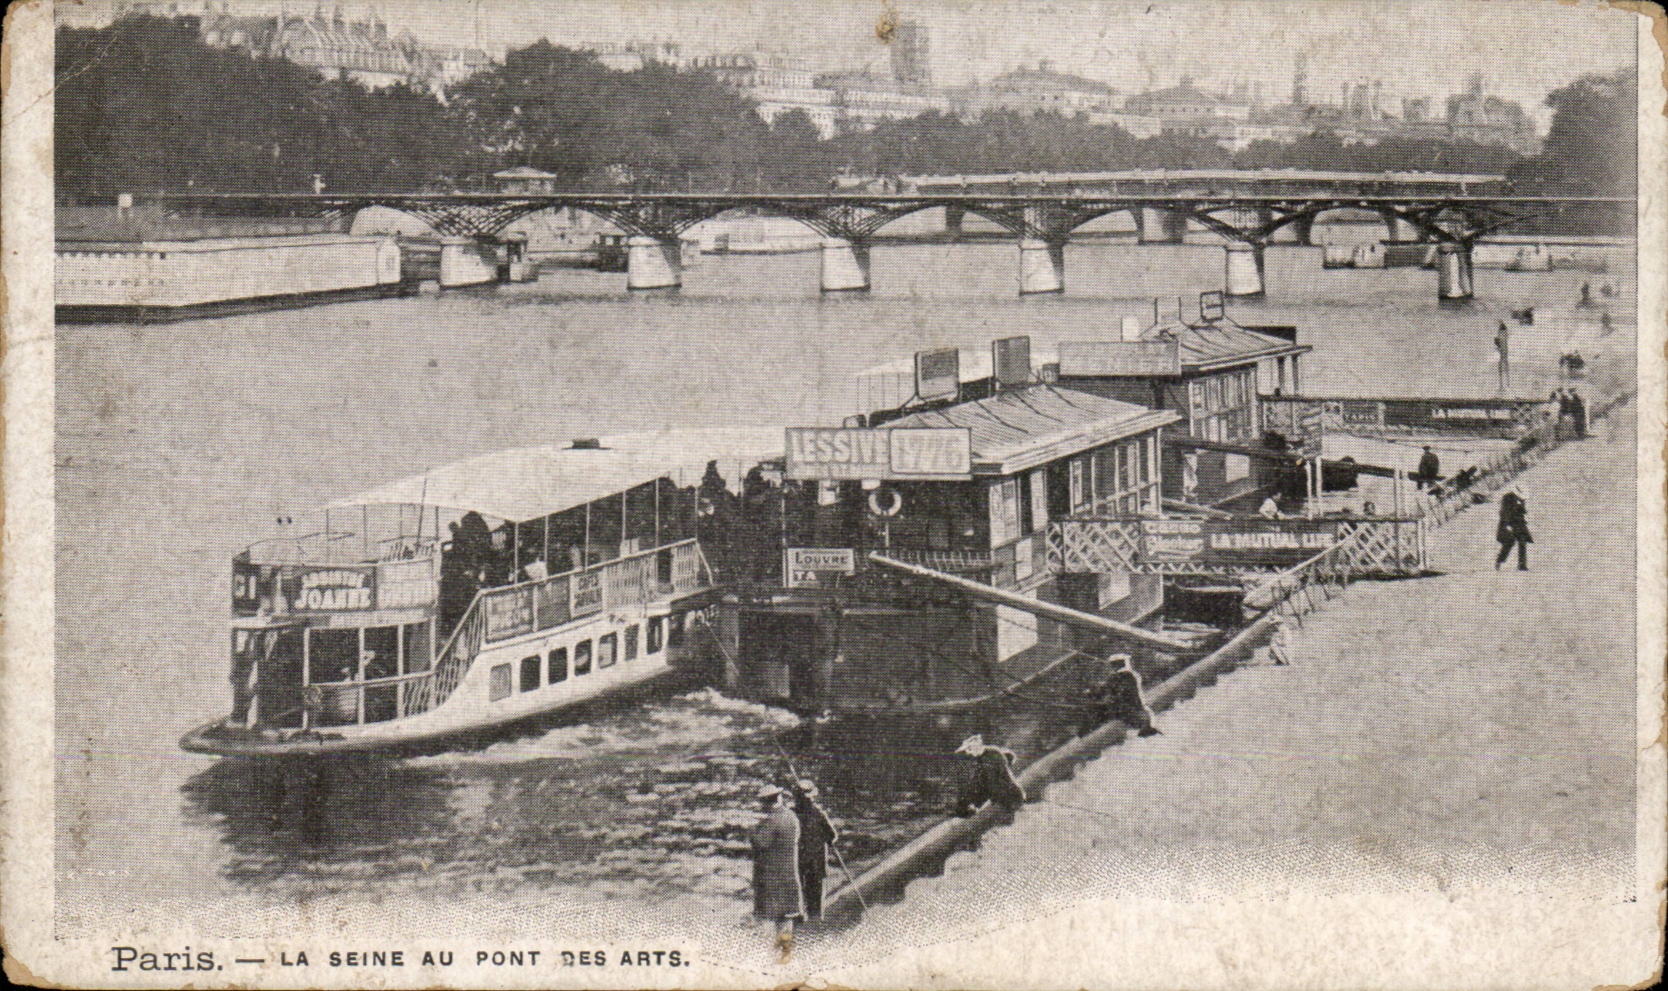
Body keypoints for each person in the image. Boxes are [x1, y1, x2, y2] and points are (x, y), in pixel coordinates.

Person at [750, 785, 804, 961]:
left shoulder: (771, 822)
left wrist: (753, 829)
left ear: (765, 802)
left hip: (771, 878)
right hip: (788, 875)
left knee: (768, 919)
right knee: (786, 918)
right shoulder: (791, 817)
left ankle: (768, 958)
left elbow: (760, 843)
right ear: (779, 798)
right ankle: (785, 955)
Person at [790, 779, 839, 923]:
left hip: (798, 858)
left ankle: (800, 917)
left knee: (798, 888)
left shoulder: (791, 815)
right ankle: (815, 918)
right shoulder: (818, 814)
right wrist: (827, 839)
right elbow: (832, 836)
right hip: (815, 860)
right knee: (815, 890)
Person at [1084, 654, 1161, 737]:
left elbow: (1104, 691)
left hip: (1128, 712)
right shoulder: (1132, 674)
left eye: (1111, 665)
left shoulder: (1117, 677)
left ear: (1115, 665)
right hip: (1141, 710)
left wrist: (1090, 693)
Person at [953, 735, 1025, 817]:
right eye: (967, 750)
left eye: (969, 749)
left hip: (1010, 797)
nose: (968, 752)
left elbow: (991, 782)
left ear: (976, 747)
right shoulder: (981, 758)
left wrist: (978, 803)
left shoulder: (991, 754)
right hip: (1003, 798)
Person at [1495, 489, 1532, 571]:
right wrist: (1507, 525)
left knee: (1522, 542)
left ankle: (1522, 564)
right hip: (1511, 524)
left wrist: (1522, 505)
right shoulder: (1508, 498)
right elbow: (1505, 513)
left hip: (1519, 523)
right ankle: (1500, 560)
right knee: (1509, 542)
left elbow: (1522, 511)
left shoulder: (1519, 500)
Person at [1494, 321, 1511, 393]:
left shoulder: (1502, 335)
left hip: (1503, 352)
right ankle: (1505, 383)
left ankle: (1504, 384)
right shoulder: (1503, 335)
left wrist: (1498, 345)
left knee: (1503, 365)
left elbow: (1500, 342)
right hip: (1503, 352)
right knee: (1504, 365)